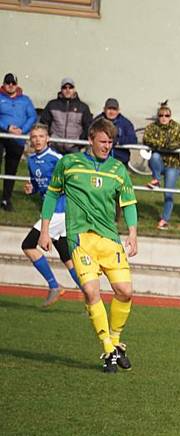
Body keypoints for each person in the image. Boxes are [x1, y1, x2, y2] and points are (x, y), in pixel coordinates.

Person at [38, 118, 138, 374]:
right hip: (80, 240)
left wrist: (133, 234)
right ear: (91, 138)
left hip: (109, 239)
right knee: (92, 293)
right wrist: (45, 230)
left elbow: (128, 203)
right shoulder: (69, 164)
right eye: (103, 141)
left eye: (110, 142)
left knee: (125, 291)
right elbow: (51, 194)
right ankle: (107, 349)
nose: (107, 146)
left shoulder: (118, 169)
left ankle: (115, 341)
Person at [20, 124, 82, 305]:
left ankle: (54, 285)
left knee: (28, 245)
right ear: (30, 140)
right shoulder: (31, 160)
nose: (37, 140)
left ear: (48, 139)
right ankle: (90, 295)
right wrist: (31, 189)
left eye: (41, 136)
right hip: (52, 212)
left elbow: (72, 181)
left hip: (59, 211)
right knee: (67, 256)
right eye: (34, 137)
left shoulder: (57, 158)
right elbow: (37, 185)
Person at [143, 102, 180, 230]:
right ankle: (156, 179)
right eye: (161, 115)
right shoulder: (152, 127)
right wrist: (165, 145)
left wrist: (164, 145)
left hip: (172, 164)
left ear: (170, 116)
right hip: (159, 163)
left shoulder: (176, 127)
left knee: (169, 193)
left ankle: (164, 219)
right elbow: (147, 139)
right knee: (155, 156)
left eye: (167, 115)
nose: (164, 118)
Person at [0, 73, 36, 212]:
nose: (10, 85)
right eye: (7, 82)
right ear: (3, 84)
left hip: (17, 139)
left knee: (11, 169)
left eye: (13, 83)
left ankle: (6, 199)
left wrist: (23, 130)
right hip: (2, 136)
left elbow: (32, 116)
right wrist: (7, 127)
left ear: (17, 84)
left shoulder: (25, 100)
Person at [40, 77, 92, 154]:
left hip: (74, 148)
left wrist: (80, 142)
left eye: (70, 87)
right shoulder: (52, 105)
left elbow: (88, 127)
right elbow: (43, 123)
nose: (67, 90)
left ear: (74, 89)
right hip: (54, 146)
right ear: (61, 89)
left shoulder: (83, 107)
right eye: (64, 87)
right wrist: (49, 139)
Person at [94, 98, 136, 167]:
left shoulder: (125, 123)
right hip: (99, 160)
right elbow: (90, 136)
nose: (112, 112)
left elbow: (133, 140)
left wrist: (118, 141)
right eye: (109, 109)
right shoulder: (97, 121)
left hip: (120, 161)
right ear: (104, 109)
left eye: (114, 109)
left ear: (118, 110)